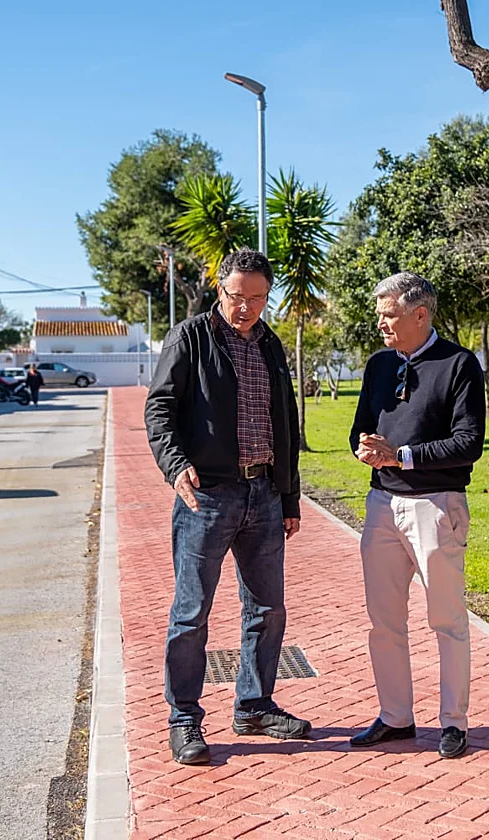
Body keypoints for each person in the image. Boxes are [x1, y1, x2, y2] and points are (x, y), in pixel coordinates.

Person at [144, 247, 310, 766]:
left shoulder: (270, 344)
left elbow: (285, 422)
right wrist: (176, 466)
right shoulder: (190, 337)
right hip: (207, 497)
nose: (247, 308)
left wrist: (289, 495)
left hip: (263, 495)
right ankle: (184, 719)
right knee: (191, 613)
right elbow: (160, 407)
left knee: (267, 608)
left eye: (258, 298)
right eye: (238, 297)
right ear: (221, 290)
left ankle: (255, 705)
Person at [347, 272, 485, 760]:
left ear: (420, 314)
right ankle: (395, 717)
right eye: (380, 314)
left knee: (446, 619)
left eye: (390, 315)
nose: (381, 323)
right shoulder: (378, 364)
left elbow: (469, 443)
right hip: (381, 504)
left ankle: (454, 723)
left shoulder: (459, 365)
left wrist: (400, 456)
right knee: (383, 621)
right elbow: (361, 427)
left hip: (435, 505)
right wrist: (365, 449)